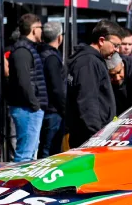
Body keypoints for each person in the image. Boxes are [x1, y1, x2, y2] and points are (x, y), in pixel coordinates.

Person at [66, 19, 125, 148]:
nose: (117, 50)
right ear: (102, 40)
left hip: (92, 136)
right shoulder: (89, 62)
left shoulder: (90, 60)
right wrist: (97, 136)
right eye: (115, 45)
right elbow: (87, 102)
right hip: (90, 139)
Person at [5, 14, 48, 162]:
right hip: (27, 109)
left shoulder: (27, 48)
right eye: (40, 28)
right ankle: (18, 178)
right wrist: (35, 105)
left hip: (29, 108)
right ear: (34, 29)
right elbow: (23, 81)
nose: (42, 31)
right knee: (25, 154)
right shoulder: (22, 50)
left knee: (29, 153)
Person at [37, 21, 67, 159]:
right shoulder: (52, 58)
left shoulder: (40, 53)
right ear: (60, 38)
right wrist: (65, 109)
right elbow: (57, 88)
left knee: (45, 148)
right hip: (53, 111)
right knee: (50, 151)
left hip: (45, 108)